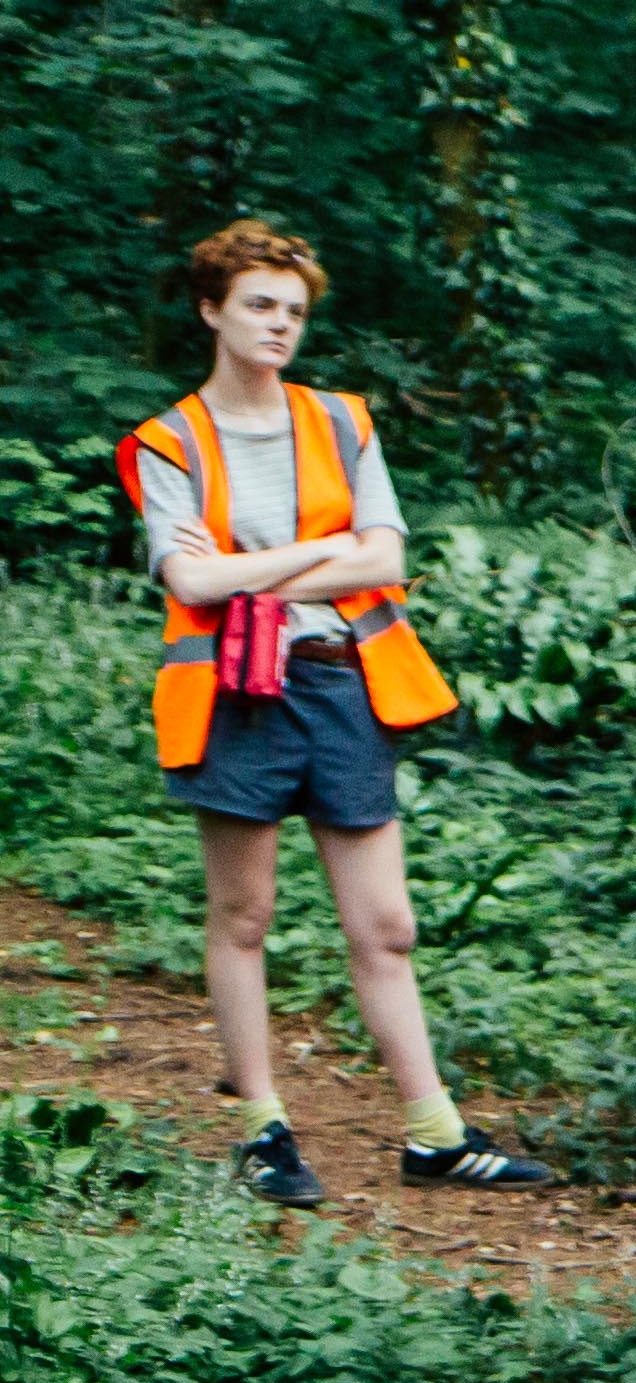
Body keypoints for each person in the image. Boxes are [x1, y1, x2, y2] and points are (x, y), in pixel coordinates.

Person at [117, 219, 552, 1206]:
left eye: (295, 311)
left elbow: (387, 558)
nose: (280, 325)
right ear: (212, 310)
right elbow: (186, 575)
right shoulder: (167, 441)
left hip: (343, 683)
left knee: (386, 923)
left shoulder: (342, 421)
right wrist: (317, 555)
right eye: (260, 305)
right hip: (233, 694)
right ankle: (262, 1128)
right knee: (243, 914)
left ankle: (434, 1134)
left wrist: (247, 570)